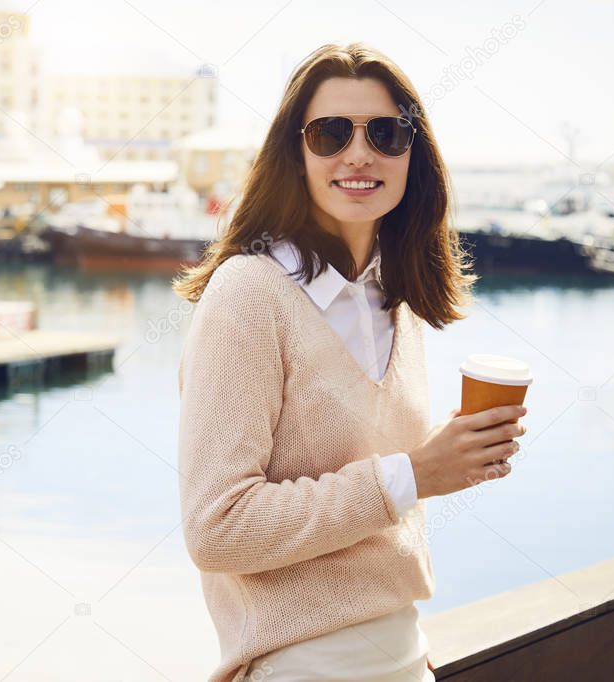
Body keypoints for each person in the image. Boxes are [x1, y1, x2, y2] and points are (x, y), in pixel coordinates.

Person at [172, 42, 528, 682]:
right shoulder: (248, 295)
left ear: (412, 155)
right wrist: (415, 473)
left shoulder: (397, 297)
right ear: (294, 152)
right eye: (331, 133)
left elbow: (385, 513)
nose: (358, 154)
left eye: (386, 134)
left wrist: (450, 460)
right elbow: (216, 530)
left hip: (403, 654)